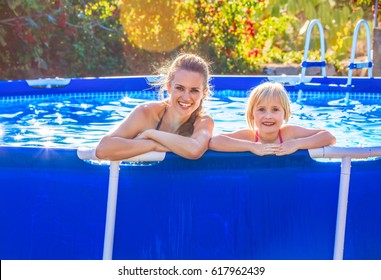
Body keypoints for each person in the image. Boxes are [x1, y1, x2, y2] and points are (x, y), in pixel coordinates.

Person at [95, 53, 214, 160]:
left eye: (194, 90)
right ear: (168, 87)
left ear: (204, 93)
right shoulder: (146, 113)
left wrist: (151, 134)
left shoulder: (203, 122)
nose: (186, 97)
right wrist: (153, 144)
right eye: (180, 88)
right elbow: (103, 149)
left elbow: (195, 150)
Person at [209, 82, 336, 156]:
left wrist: (296, 144)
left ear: (285, 114)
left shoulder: (289, 134)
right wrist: (252, 146)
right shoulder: (250, 137)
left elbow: (329, 137)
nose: (268, 116)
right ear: (252, 114)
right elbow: (214, 141)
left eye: (275, 110)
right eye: (261, 109)